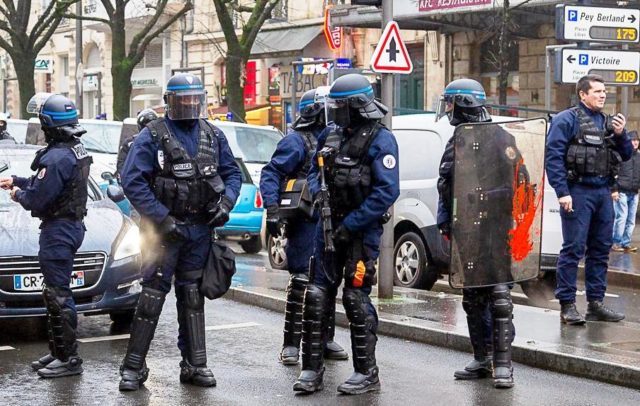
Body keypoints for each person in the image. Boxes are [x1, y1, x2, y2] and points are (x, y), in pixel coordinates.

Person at [117, 73, 242, 391]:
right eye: (182, 99)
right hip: (162, 232)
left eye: (193, 99)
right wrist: (160, 217)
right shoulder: (153, 135)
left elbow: (232, 173)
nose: (188, 104)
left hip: (199, 228)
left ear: (200, 100)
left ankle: (195, 364)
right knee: (152, 296)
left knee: (192, 296)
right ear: (170, 102)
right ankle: (133, 368)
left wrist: (226, 203)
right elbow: (132, 180)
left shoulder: (213, 135)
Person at [293, 73, 399, 395]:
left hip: (358, 235)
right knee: (316, 294)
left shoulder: (381, 140)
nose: (335, 111)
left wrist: (350, 226)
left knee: (355, 297)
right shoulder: (331, 134)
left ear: (355, 106)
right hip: (327, 228)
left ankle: (367, 373)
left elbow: (386, 191)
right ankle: (311, 369)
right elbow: (314, 171)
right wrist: (318, 195)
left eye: (340, 106)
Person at [0, 93, 92, 378]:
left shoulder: (57, 158)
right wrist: (16, 180)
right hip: (69, 226)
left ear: (49, 125)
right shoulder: (74, 150)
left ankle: (69, 359)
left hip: (59, 231)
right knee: (53, 293)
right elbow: (51, 186)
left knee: (58, 295)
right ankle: (58, 351)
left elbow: (39, 199)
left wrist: (17, 194)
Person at [436, 78, 517, 389]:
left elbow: (519, 183)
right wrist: (446, 222)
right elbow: (445, 185)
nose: (448, 110)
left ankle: (503, 364)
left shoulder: (500, 138)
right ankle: (481, 357)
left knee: (498, 296)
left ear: (464, 104)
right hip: (466, 229)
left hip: (496, 230)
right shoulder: (456, 139)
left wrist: (486, 197)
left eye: (451, 103)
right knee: (472, 297)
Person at [259, 87, 348, 365]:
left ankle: (324, 339)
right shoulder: (297, 141)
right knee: (301, 280)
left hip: (330, 218)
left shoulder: (336, 137)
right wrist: (272, 209)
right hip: (306, 219)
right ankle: (291, 343)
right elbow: (272, 172)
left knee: (328, 280)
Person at [546, 74, 631, 325]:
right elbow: (553, 157)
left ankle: (596, 304)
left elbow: (626, 154)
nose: (603, 95)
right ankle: (568, 306)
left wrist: (620, 134)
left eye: (605, 91)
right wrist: (562, 192)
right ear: (582, 94)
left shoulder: (608, 123)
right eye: (597, 91)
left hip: (603, 193)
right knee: (573, 249)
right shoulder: (566, 120)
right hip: (578, 191)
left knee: (601, 250)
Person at [611, 130, 640, 253]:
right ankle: (616, 243)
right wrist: (614, 190)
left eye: (637, 140)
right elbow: (613, 172)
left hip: (634, 192)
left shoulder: (639, 156)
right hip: (621, 191)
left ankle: (626, 243)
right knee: (621, 218)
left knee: (631, 220)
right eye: (632, 140)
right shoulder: (621, 154)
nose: (635, 142)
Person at [115, 108, 158, 177]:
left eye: (152, 125)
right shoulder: (130, 143)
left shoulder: (164, 142)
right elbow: (122, 166)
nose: (148, 130)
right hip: (137, 180)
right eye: (146, 126)